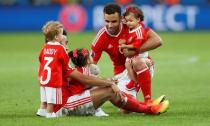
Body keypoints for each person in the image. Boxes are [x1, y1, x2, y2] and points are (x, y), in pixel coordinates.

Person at [52, 48, 169, 117]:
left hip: (72, 100)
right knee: (110, 89)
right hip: (67, 105)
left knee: (111, 89)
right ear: (88, 60)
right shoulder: (79, 71)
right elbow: (87, 81)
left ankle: (146, 106)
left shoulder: (78, 69)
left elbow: (88, 82)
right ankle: (149, 109)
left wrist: (107, 81)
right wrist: (109, 83)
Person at [91, 3, 163, 104]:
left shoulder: (130, 23)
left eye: (114, 21)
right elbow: (90, 65)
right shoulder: (100, 38)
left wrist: (134, 51)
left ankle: (148, 100)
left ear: (121, 18)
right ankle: (137, 93)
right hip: (121, 75)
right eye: (107, 21)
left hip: (141, 65)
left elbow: (157, 40)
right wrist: (103, 81)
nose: (110, 25)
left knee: (137, 61)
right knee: (125, 109)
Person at [119, 5, 155, 103]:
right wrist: (122, 44)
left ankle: (147, 98)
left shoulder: (140, 30)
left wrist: (125, 46)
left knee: (136, 62)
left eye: (131, 21)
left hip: (141, 59)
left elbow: (137, 45)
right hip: (131, 59)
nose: (128, 23)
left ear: (138, 19)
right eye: (127, 21)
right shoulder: (129, 29)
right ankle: (134, 82)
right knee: (127, 64)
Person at [36, 21, 69, 118]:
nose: (63, 36)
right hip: (54, 79)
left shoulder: (45, 47)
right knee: (51, 99)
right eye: (62, 34)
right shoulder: (60, 48)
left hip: (43, 78)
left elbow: (40, 58)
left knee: (44, 98)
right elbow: (65, 61)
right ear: (56, 37)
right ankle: (50, 113)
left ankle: (41, 110)